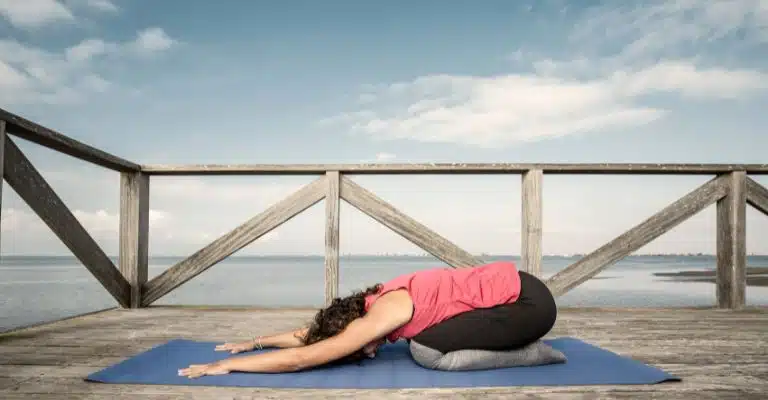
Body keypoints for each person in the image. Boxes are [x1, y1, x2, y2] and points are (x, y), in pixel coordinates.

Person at [178, 260, 557, 378]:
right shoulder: (376, 299)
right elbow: (308, 337)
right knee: (422, 340)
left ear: (352, 326)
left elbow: (305, 356)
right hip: (522, 292)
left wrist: (227, 366)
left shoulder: (385, 311)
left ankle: (532, 354)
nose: (368, 352)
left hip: (528, 306)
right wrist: (254, 343)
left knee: (426, 349)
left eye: (360, 346)